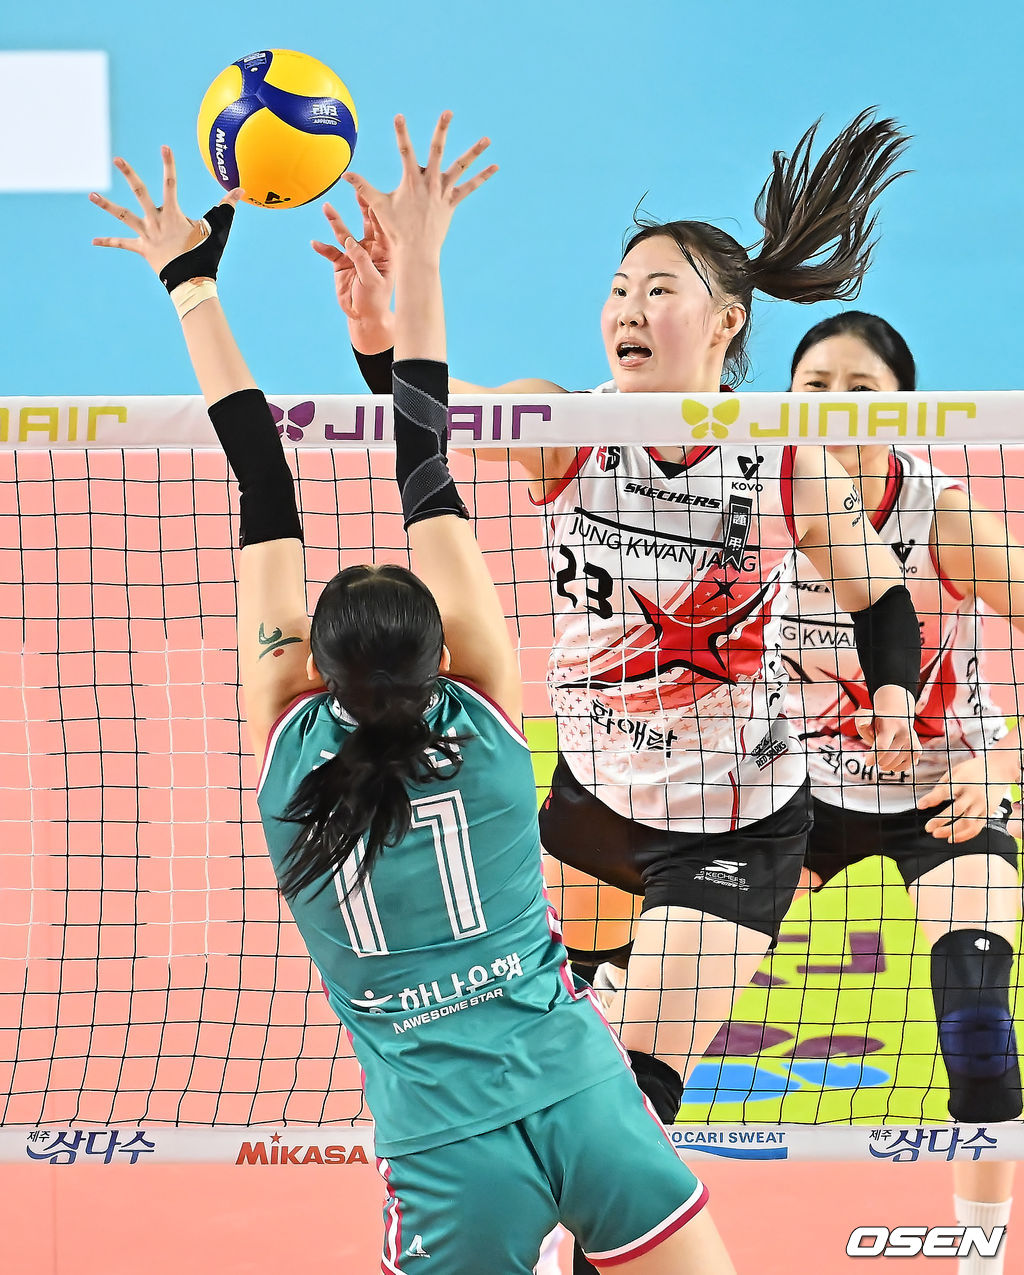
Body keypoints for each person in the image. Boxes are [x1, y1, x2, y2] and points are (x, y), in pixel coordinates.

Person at [90, 118, 737, 1275]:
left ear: (315, 667)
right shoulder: (483, 722)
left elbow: (258, 474)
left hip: (447, 1148)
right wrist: (418, 256)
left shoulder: (291, 753)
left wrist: (189, 280)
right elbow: (416, 454)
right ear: (444, 655)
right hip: (585, 1097)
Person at [319, 109, 920, 1139]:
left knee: (632, 1104)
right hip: (591, 796)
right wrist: (378, 329)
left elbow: (881, 596)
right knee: (539, 1065)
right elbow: (425, 412)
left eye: (659, 290)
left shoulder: (783, 461)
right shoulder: (565, 427)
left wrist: (894, 694)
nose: (628, 309)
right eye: (618, 289)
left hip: (733, 822)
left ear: (725, 322)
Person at [784, 310, 1022, 1275]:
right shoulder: (751, 496)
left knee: (978, 1018)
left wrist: (1004, 760)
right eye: (815, 388)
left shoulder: (941, 515)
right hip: (790, 798)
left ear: (904, 408)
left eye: (862, 390)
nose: (835, 408)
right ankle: (584, 1228)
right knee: (624, 1002)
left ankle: (979, 1261)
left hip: (941, 797)